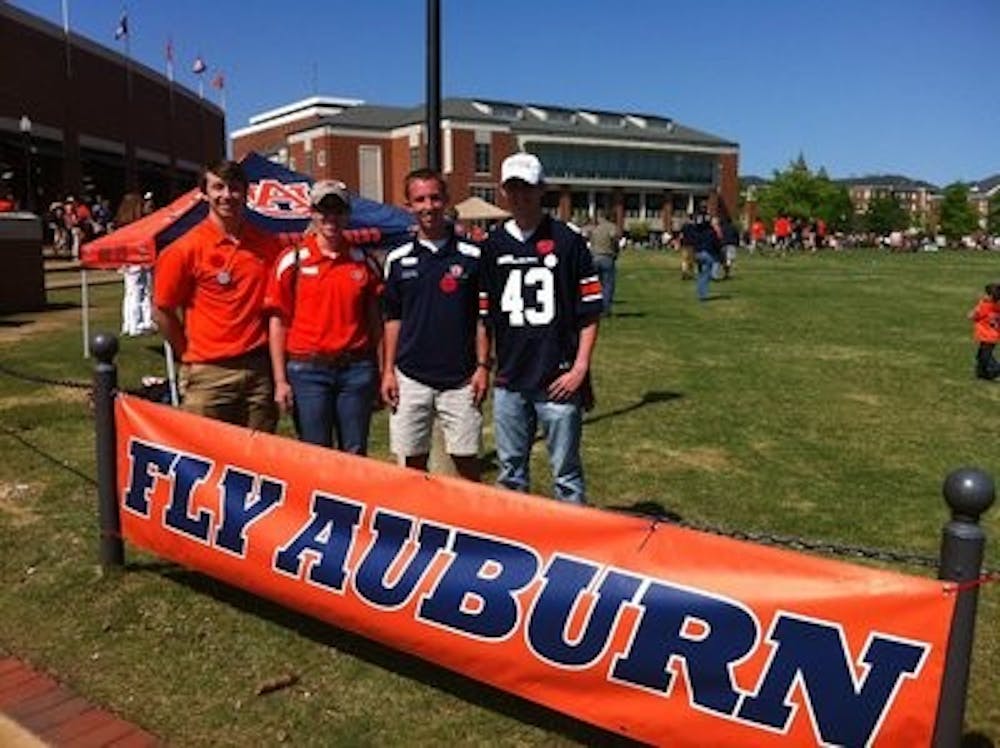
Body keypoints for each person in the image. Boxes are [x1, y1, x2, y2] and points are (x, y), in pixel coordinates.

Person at [479, 153, 602, 503]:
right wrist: (484, 366)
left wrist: (580, 369)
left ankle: (573, 547)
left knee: (566, 473)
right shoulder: (491, 246)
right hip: (511, 377)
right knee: (510, 471)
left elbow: (590, 312)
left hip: (558, 377)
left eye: (528, 188)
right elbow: (485, 317)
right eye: (514, 188)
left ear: (542, 189)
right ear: (503, 191)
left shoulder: (568, 240)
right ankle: (516, 543)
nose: (521, 196)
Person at [153, 159, 282, 431]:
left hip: (258, 371)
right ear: (204, 194)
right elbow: (162, 309)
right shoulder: (184, 249)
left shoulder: (268, 246)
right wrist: (186, 352)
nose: (227, 196)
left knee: (259, 462)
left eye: (234, 188)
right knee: (206, 459)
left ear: (246, 193)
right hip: (208, 373)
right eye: (218, 187)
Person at [381, 169, 489, 479]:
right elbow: (392, 318)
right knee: (412, 466)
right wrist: (388, 370)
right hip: (411, 377)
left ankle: (468, 525)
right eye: (420, 199)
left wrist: (482, 366)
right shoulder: (398, 259)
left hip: (461, 378)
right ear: (409, 206)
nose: (428, 206)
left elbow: (483, 318)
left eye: (434, 198)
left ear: (446, 200)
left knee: (467, 465)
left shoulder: (472, 256)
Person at [265, 180, 383, 453]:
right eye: (323, 209)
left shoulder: (363, 261)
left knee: (354, 453)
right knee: (315, 454)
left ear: (348, 214)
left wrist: (379, 369)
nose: (331, 217)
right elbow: (278, 323)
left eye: (338, 209)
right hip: (308, 372)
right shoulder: (292, 259)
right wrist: (280, 380)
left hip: (356, 370)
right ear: (312, 212)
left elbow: (375, 320)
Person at [115, 192, 155, 337]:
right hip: (138, 260)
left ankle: (130, 324)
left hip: (127, 261)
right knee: (141, 291)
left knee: (130, 292)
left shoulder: (122, 223)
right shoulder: (139, 224)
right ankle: (137, 325)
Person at [588, 210, 621, 316]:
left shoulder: (594, 229)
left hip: (594, 257)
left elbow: (590, 242)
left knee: (595, 285)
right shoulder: (612, 227)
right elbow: (615, 240)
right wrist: (616, 252)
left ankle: (593, 307)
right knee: (608, 284)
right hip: (607, 257)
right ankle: (605, 309)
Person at [968, 283, 1000, 381]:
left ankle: (995, 369)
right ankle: (982, 373)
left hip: (986, 336)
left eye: (986, 294)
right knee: (981, 355)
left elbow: (971, 316)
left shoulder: (984, 306)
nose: (983, 295)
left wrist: (977, 308)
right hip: (993, 336)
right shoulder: (997, 307)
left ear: (990, 296)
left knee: (985, 356)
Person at [692, 212, 722, 301]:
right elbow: (715, 243)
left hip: (697, 253)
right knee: (705, 274)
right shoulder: (711, 232)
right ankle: (703, 295)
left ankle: (700, 291)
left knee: (701, 274)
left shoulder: (697, 231)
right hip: (707, 253)